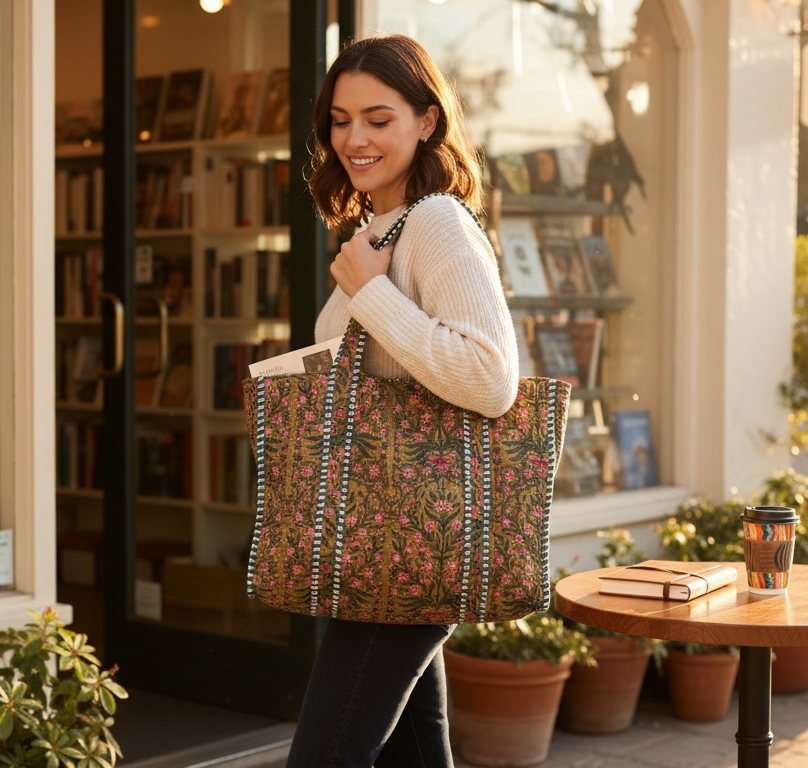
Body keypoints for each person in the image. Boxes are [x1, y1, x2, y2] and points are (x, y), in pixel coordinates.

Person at [285, 33, 519, 768]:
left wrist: (372, 294)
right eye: (340, 119)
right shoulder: (378, 228)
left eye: (378, 119)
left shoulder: (438, 224)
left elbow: (491, 378)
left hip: (413, 534)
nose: (353, 138)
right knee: (417, 755)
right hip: (386, 536)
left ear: (426, 120)